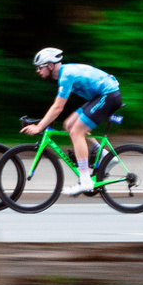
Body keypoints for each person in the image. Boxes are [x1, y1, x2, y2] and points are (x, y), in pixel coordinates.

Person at [22, 47, 122, 193]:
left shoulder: (66, 76)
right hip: (102, 96)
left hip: (108, 95)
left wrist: (39, 127)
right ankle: (105, 155)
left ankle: (85, 181)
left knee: (76, 132)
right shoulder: (64, 73)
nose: (37, 70)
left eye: (40, 67)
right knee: (69, 125)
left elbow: (58, 107)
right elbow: (58, 107)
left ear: (50, 65)